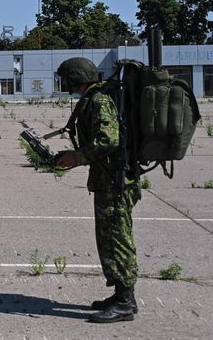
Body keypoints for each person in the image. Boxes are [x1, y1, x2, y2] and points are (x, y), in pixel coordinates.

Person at [54, 57, 140, 323]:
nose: (64, 82)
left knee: (117, 239)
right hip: (108, 180)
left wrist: (76, 157)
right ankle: (122, 296)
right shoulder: (93, 98)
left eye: (66, 77)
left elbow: (108, 139)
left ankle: (125, 302)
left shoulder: (99, 101)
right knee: (109, 238)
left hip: (115, 182)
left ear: (76, 77)